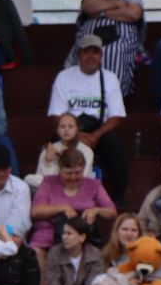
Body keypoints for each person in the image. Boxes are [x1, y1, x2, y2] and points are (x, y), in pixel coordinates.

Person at [47, 34, 129, 204]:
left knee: (115, 144)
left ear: (101, 56)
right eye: (87, 52)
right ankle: (54, 195)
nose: (91, 56)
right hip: (71, 129)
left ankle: (118, 197)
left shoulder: (110, 78)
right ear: (79, 54)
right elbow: (56, 115)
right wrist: (77, 135)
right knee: (57, 141)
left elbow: (117, 117)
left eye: (95, 52)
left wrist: (96, 135)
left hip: (100, 130)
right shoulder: (64, 77)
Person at [72, 0, 143, 98]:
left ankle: (112, 97)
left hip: (122, 37)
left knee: (113, 51)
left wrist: (102, 12)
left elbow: (134, 14)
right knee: (90, 50)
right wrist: (118, 4)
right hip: (92, 34)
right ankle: (87, 96)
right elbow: (88, 6)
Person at [29, 148, 116, 250]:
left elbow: (112, 212)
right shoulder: (48, 182)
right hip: (48, 236)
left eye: (78, 173)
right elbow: (36, 211)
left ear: (83, 169)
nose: (73, 177)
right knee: (36, 251)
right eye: (68, 173)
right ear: (60, 169)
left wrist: (96, 210)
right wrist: (63, 208)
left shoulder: (94, 185)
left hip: (83, 237)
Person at [35, 112, 95, 178]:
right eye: (62, 126)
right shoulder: (50, 149)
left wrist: (65, 159)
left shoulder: (86, 151)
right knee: (29, 178)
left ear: (77, 130)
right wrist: (48, 160)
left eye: (70, 126)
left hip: (75, 185)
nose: (66, 130)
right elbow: (39, 178)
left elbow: (82, 177)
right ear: (57, 130)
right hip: (48, 185)